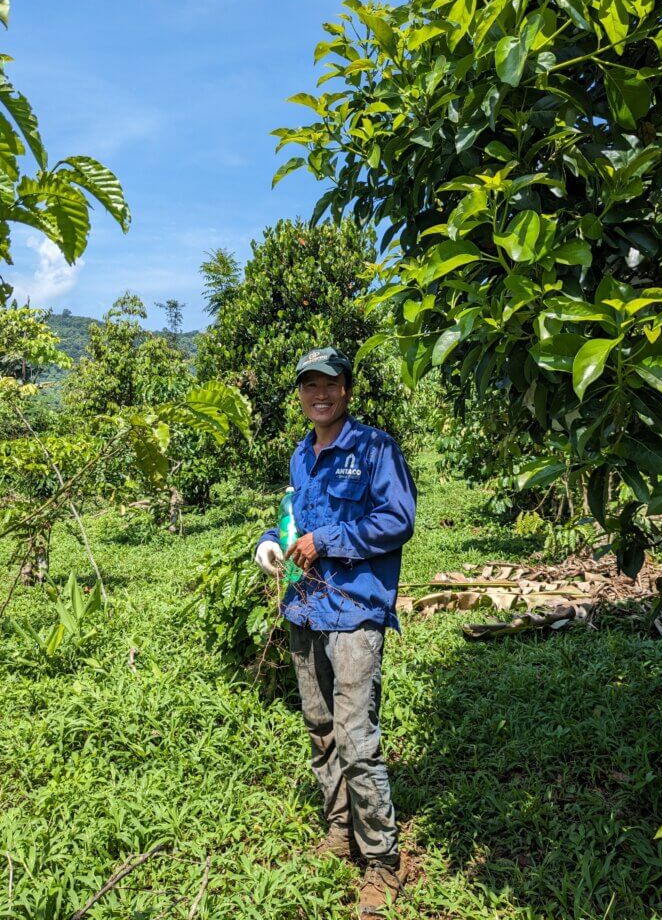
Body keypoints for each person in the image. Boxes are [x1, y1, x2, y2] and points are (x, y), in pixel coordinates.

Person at [255, 346, 417, 917]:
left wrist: (328, 542)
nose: (318, 394)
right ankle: (339, 825)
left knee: (354, 732)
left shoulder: (374, 448)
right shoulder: (302, 455)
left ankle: (380, 860)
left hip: (354, 610)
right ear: (300, 394)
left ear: (346, 389)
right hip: (305, 608)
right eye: (308, 385)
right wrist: (271, 543)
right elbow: (292, 515)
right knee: (320, 725)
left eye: (329, 383)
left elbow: (398, 520)